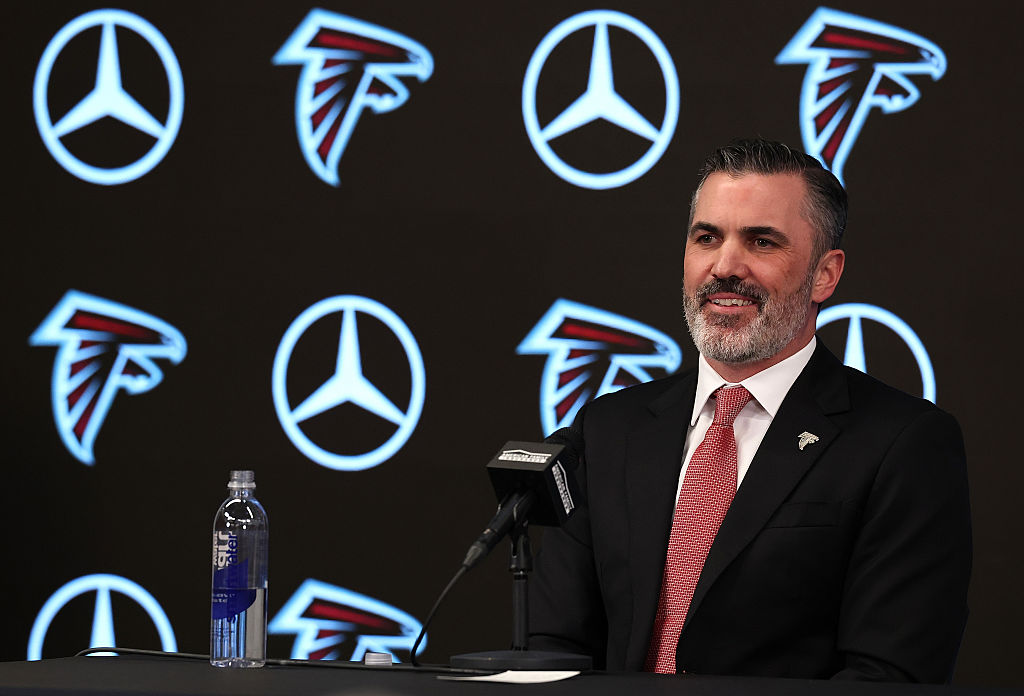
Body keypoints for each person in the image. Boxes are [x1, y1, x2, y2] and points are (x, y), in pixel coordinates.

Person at [528, 138, 971, 682]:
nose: (725, 266)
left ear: (826, 275)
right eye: (707, 237)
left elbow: (889, 675)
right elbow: (552, 648)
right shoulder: (609, 429)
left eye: (761, 242)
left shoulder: (903, 443)